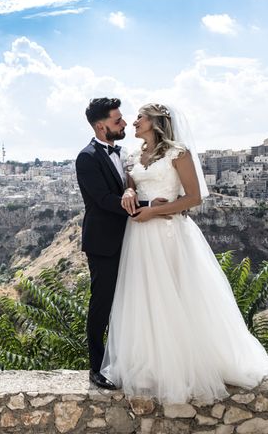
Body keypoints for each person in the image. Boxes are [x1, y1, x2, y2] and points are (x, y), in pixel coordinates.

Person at [100, 102, 268, 403]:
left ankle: (185, 364)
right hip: (139, 234)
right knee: (145, 296)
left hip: (167, 233)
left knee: (177, 294)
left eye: (140, 117)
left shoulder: (178, 153)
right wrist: (129, 192)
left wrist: (155, 211)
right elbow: (131, 186)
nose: (134, 121)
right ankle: (151, 364)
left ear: (156, 122)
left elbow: (193, 198)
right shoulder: (135, 155)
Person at [75, 98, 167, 390]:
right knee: (102, 303)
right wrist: (149, 204)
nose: (125, 123)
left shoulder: (120, 152)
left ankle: (126, 361)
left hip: (129, 239)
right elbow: (103, 200)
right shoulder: (87, 157)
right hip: (103, 242)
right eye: (118, 120)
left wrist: (131, 189)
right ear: (101, 126)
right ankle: (96, 366)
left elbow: (124, 188)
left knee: (129, 303)